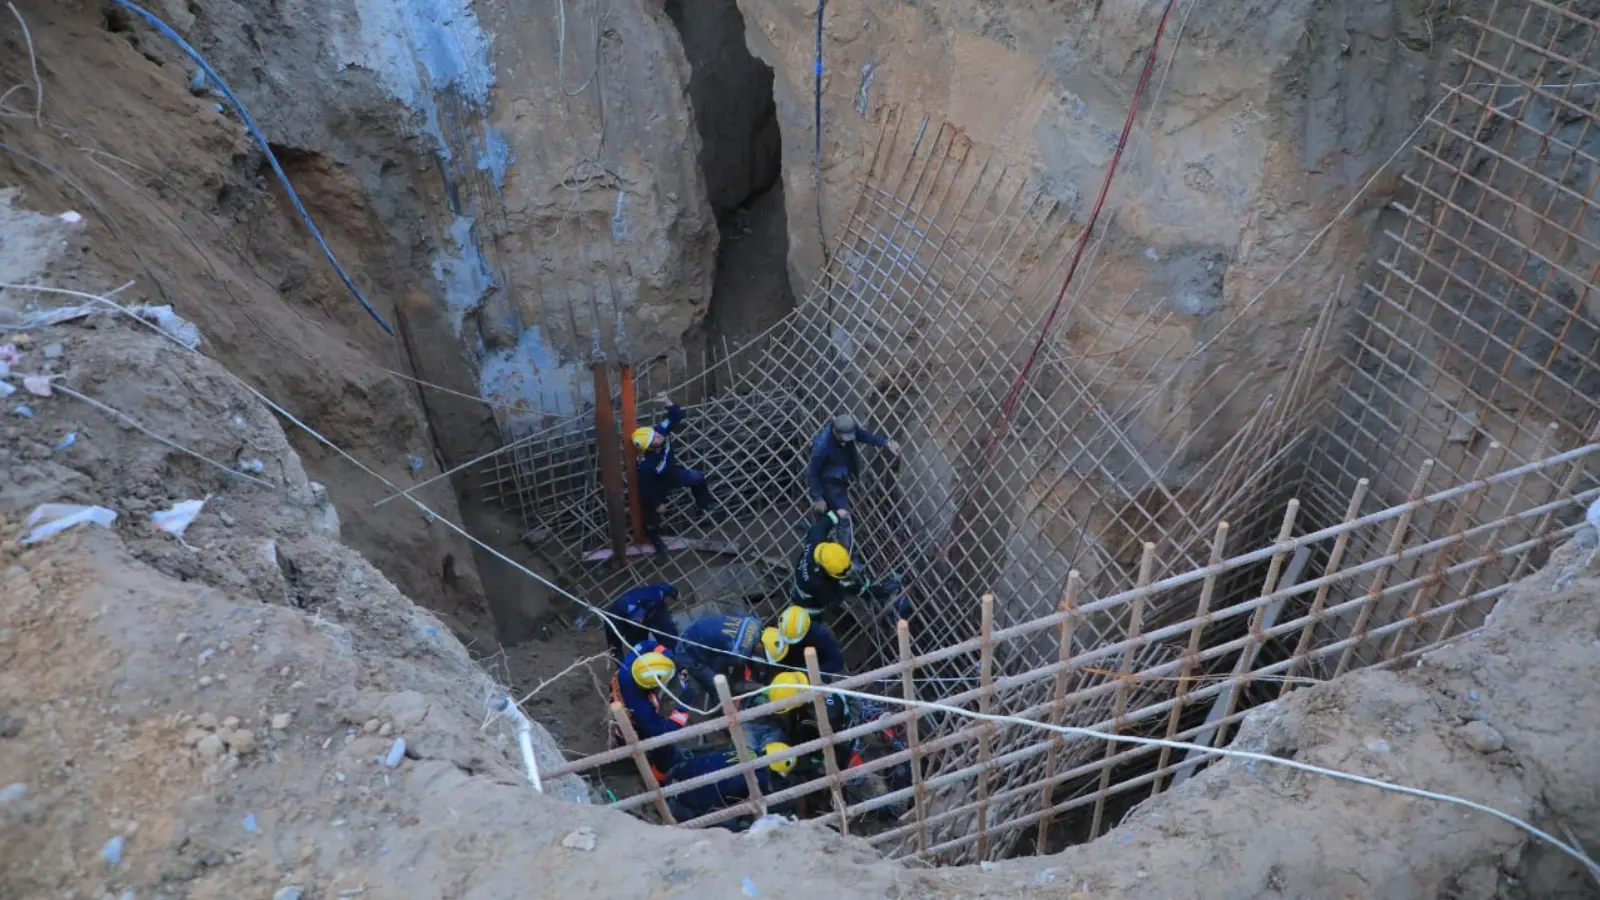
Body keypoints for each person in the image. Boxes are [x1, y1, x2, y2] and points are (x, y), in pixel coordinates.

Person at [663, 720, 794, 827]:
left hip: (677, 773)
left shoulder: (748, 752)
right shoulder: (761, 779)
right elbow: (763, 804)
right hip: (682, 804)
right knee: (736, 827)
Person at [633, 393, 717, 555]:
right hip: (658, 484)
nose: (659, 436)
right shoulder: (646, 466)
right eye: (655, 438)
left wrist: (666, 401)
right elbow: (646, 487)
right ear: (650, 447)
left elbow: (677, 415)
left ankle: (704, 503)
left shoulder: (660, 430)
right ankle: (656, 541)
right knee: (652, 516)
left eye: (656, 433)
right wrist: (657, 503)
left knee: (697, 478)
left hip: (673, 473)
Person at [804, 413, 899, 548]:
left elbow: (863, 435)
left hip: (841, 476)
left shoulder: (847, 433)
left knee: (829, 513)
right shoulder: (823, 446)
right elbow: (812, 472)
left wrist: (886, 442)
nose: (850, 439)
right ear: (836, 432)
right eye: (847, 436)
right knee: (844, 517)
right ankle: (843, 552)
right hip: (829, 482)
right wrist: (818, 497)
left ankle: (821, 534)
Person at [789, 512, 898, 619]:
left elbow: (827, 520)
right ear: (825, 571)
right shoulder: (822, 586)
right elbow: (844, 593)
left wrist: (838, 513)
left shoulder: (815, 539)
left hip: (801, 584)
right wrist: (875, 590)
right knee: (816, 622)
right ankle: (883, 593)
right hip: (810, 607)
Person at [614, 642, 693, 777]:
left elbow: (646, 645)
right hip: (632, 719)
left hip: (618, 700)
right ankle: (659, 778)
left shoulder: (631, 664)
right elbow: (663, 732)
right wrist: (683, 707)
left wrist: (669, 656)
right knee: (666, 751)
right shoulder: (641, 708)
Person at [674, 614, 763, 695]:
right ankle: (720, 707)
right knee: (717, 686)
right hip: (688, 651)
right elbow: (717, 666)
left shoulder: (755, 625)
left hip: (695, 630)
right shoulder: (739, 652)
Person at [760, 606, 845, 678]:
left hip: (814, 669)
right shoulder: (786, 625)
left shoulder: (820, 636)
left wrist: (810, 673)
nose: (789, 643)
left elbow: (837, 662)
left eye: (792, 641)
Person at [603, 582, 680, 661]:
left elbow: (671, 590)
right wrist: (621, 666)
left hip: (654, 613)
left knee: (670, 638)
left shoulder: (654, 594)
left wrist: (676, 596)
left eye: (640, 618)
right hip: (631, 628)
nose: (640, 621)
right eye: (637, 620)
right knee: (641, 649)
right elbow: (614, 649)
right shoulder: (612, 620)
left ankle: (677, 659)